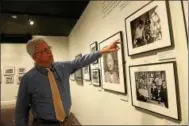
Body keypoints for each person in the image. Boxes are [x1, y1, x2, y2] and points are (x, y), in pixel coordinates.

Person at [14, 37, 121, 126]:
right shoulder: (28, 79)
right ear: (35, 57)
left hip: (67, 121)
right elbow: (21, 111)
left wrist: (103, 51)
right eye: (44, 51)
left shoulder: (62, 67)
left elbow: (81, 61)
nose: (50, 52)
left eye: (49, 48)